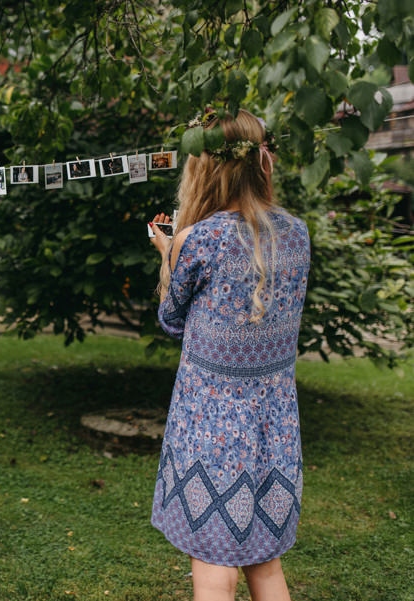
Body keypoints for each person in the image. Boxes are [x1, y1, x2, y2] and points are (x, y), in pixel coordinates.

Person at [148, 109, 310, 601]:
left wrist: (168, 253)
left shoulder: (199, 240)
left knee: (215, 566)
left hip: (211, 427)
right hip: (275, 423)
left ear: (206, 168)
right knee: (265, 563)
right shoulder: (297, 233)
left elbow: (171, 320)